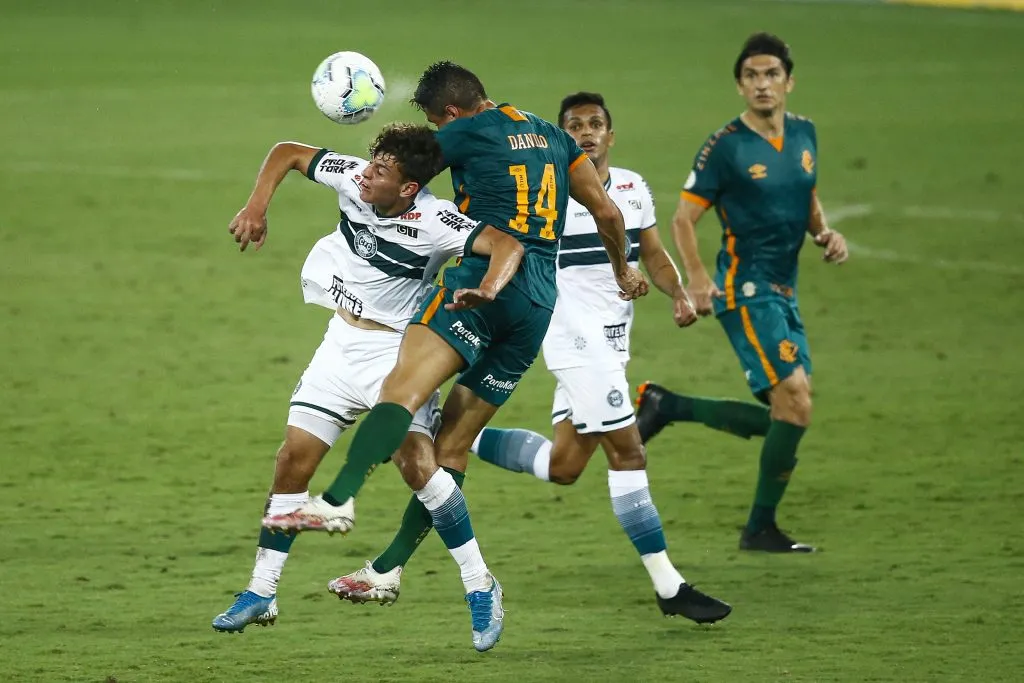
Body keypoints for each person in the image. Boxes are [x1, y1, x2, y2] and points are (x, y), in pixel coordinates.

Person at [262, 61, 647, 652]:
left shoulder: (464, 131)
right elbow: (608, 214)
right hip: (537, 300)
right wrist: (622, 270)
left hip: (481, 282)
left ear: (448, 112)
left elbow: (402, 172)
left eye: (433, 120)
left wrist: (364, 168)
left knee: (400, 394)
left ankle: (336, 500)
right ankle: (390, 569)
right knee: (449, 451)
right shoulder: (554, 136)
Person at [327, 92, 732, 625]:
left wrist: (675, 290)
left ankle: (409, 522)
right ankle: (669, 585)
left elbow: (648, 250)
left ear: (610, 134)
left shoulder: (632, 188)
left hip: (605, 336)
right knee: (628, 453)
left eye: (595, 124)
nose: (586, 132)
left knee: (564, 465)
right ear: (560, 136)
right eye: (575, 125)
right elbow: (431, 175)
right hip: (570, 334)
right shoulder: (543, 174)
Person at [212, 123, 521, 633]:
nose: (364, 176)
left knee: (417, 466)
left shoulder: (437, 220)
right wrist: (256, 208)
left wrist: (487, 288)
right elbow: (287, 152)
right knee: (292, 460)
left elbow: (507, 246)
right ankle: (261, 592)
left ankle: (480, 582)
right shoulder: (352, 176)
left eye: (379, 171)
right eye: (370, 163)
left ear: (408, 188)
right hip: (340, 346)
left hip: (396, 355)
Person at [643, 33, 849, 553]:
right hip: (744, 289)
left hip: (785, 289)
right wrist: (696, 278)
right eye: (752, 76)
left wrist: (823, 232)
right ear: (739, 86)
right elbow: (683, 218)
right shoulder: (725, 147)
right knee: (796, 401)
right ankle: (759, 528)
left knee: (790, 412)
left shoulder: (805, 133)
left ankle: (670, 405)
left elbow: (807, 193)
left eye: (771, 74)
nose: (762, 84)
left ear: (789, 82)